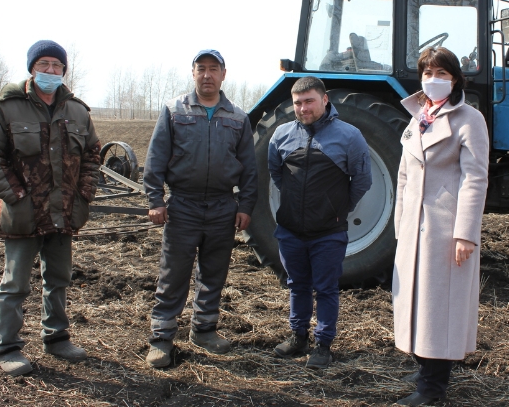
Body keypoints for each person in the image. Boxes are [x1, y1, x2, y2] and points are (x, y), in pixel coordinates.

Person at [0, 40, 101, 376]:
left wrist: (84, 194)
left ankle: (56, 337)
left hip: (63, 213)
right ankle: (8, 346)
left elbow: (92, 155)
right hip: (23, 214)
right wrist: (16, 196)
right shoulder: (7, 106)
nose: (50, 71)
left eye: (56, 66)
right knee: (15, 283)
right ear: (32, 68)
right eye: (43, 64)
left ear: (63, 71)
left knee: (58, 278)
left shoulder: (77, 111)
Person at [143, 49, 257, 368]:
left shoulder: (237, 117)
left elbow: (249, 169)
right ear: (193, 73)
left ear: (223, 74)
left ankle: (204, 330)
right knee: (174, 273)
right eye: (201, 68)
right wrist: (155, 200)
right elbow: (155, 160)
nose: (207, 75)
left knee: (214, 272)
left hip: (223, 206)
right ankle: (162, 338)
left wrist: (245, 205)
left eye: (213, 69)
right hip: (183, 205)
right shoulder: (174, 111)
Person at [392, 46, 489, 406]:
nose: (434, 80)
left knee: (440, 308)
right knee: (417, 303)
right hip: (414, 228)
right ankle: (424, 368)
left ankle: (432, 390)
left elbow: (475, 178)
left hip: (445, 229)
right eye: (428, 73)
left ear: (456, 80)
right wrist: (400, 226)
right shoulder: (417, 117)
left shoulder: (469, 119)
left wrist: (465, 233)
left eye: (442, 75)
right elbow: (404, 175)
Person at [268, 76, 372, 369]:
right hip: (290, 230)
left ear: (325, 100)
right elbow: (277, 175)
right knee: (297, 285)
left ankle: (323, 344)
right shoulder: (280, 136)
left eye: (309, 101)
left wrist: (338, 208)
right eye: (298, 103)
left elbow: (362, 180)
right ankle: (298, 336)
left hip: (328, 231)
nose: (303, 108)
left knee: (326, 288)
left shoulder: (349, 136)